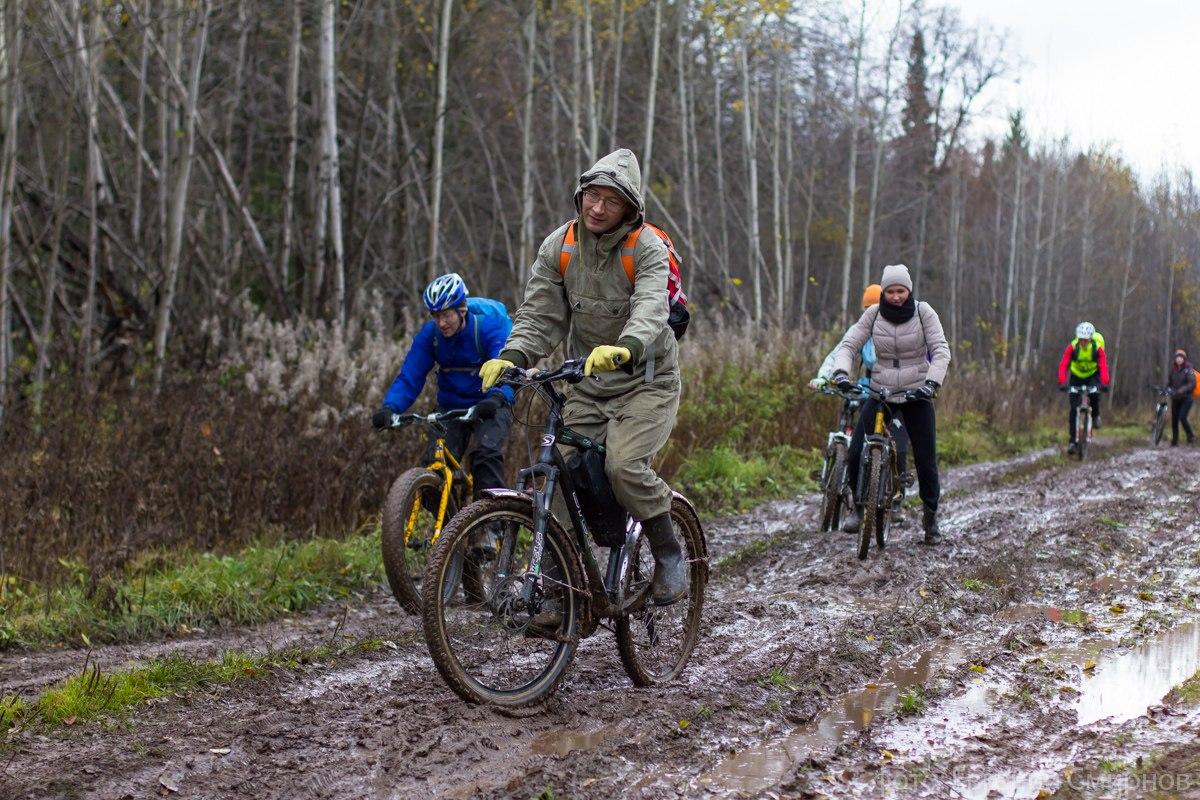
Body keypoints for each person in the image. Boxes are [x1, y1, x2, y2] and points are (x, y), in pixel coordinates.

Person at [478, 148, 686, 605]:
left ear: (629, 209)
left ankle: (668, 551)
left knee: (623, 467)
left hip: (647, 381)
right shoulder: (561, 246)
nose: (597, 207)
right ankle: (560, 594)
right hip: (587, 384)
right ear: (580, 196)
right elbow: (540, 314)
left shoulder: (646, 247)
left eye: (611, 200)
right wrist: (512, 355)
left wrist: (626, 346)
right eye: (592, 195)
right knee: (560, 475)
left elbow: (651, 306)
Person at [372, 273, 516, 512]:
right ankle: (452, 530)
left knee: (485, 456)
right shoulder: (431, 336)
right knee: (433, 469)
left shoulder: (487, 327)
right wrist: (390, 407)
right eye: (436, 316)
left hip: (491, 403)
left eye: (446, 315)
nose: (441, 323)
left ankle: (492, 525)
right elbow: (410, 376)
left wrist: (498, 396)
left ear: (462, 310)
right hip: (451, 408)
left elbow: (507, 369)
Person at [832, 264, 951, 545]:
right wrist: (841, 373)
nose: (896, 296)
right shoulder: (873, 314)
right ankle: (858, 508)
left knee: (926, 459)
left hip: (916, 393)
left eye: (901, 291)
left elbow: (940, 349)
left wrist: (932, 383)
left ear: (909, 290)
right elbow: (848, 345)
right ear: (883, 292)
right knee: (856, 450)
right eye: (890, 291)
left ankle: (930, 518)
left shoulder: (924, 313)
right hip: (880, 392)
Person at [809, 284, 911, 489]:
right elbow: (839, 354)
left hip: (899, 391)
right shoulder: (859, 331)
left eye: (878, 309)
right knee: (859, 444)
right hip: (870, 389)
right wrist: (824, 376)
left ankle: (897, 494)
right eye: (868, 310)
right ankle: (859, 491)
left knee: (899, 446)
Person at [1057, 321, 1109, 454]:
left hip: (1092, 375)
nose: (1083, 342)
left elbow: (1103, 366)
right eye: (1081, 340)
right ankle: (1072, 442)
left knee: (1094, 395)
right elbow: (1064, 364)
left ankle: (1095, 416)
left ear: (1090, 339)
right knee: (1074, 409)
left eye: (1086, 340)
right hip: (1076, 376)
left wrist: (1104, 382)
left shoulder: (1097, 349)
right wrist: (1062, 382)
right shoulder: (1072, 347)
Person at [1165, 348, 1196, 446]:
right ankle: (1174, 441)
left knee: (1182, 417)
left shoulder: (1188, 369)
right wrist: (1166, 389)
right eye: (1177, 357)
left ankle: (1191, 436)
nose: (1179, 359)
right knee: (1174, 420)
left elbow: (1192, 383)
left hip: (1187, 398)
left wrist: (1182, 389)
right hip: (1175, 398)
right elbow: (1169, 382)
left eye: (1181, 357)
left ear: (1184, 359)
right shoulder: (1173, 370)